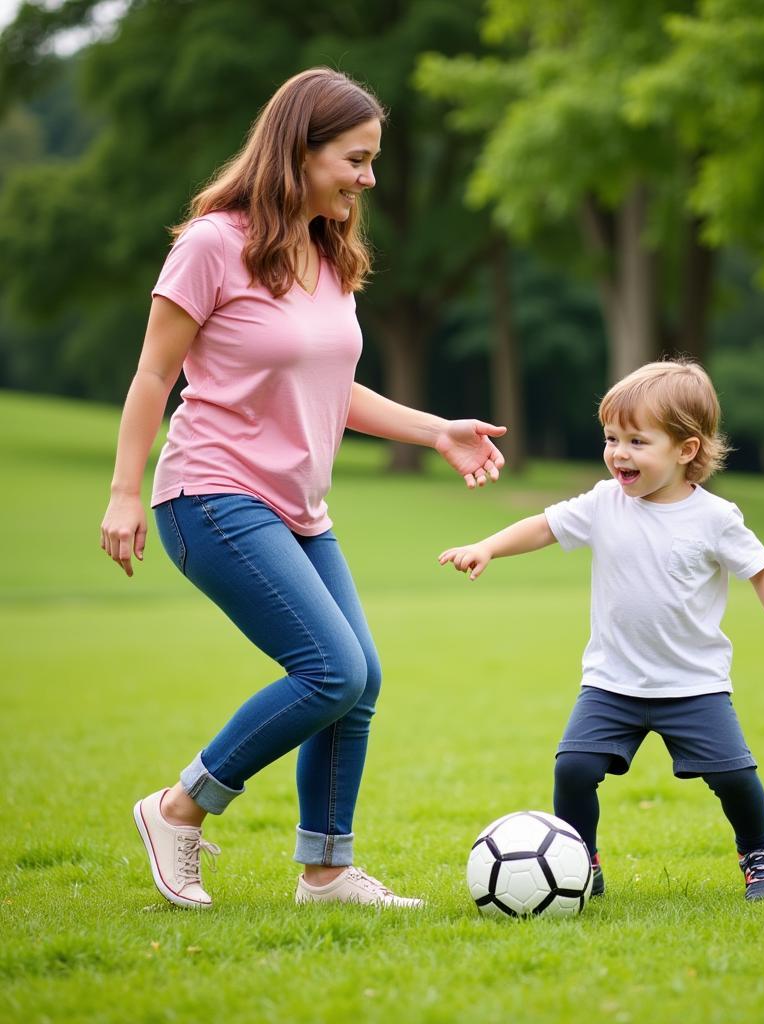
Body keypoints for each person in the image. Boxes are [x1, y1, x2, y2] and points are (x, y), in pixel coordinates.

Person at [101, 68, 506, 911]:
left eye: (372, 162)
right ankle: (178, 808)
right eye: (354, 160)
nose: (367, 179)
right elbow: (151, 375)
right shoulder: (214, 244)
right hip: (208, 495)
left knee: (361, 679)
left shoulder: (326, 252)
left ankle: (325, 873)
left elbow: (333, 387)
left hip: (298, 509)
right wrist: (123, 491)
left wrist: (436, 430)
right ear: (301, 149)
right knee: (330, 670)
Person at [438, 358, 764, 901]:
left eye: (638, 441)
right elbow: (544, 526)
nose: (618, 453)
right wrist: (488, 546)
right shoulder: (603, 503)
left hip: (693, 685)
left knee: (735, 776)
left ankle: (760, 856)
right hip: (611, 682)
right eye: (611, 438)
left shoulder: (715, 518)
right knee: (573, 768)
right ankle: (580, 863)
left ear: (686, 450)